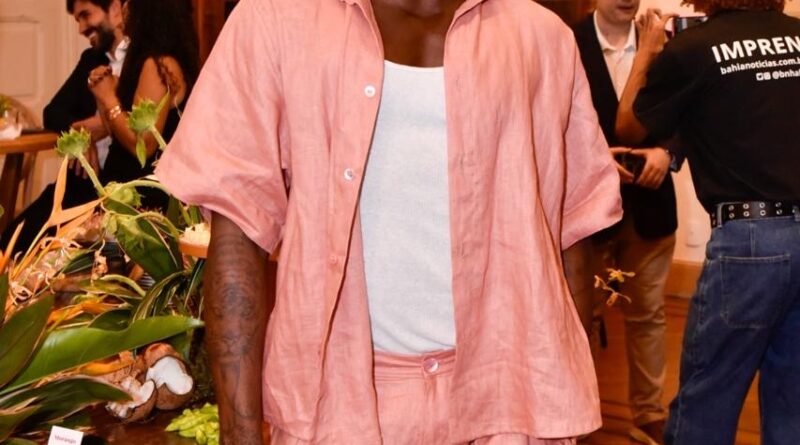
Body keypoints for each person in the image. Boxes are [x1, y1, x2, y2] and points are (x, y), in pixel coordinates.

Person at [156, 0, 623, 443]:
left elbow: (571, 230)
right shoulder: (277, 20)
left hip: (508, 402)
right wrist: (239, 436)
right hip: (336, 407)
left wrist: (559, 402)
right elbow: (237, 231)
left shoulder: (540, 38)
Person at [616, 3, 800, 444]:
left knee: (707, 399)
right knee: (792, 401)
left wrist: (647, 53)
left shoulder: (693, 48)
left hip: (750, 243)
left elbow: (628, 128)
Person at [572, 1, 678, 443]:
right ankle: (578, 414)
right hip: (587, 210)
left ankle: (649, 413)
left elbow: (690, 107)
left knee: (647, 314)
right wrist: (595, 160)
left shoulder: (665, 44)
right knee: (583, 315)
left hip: (650, 206)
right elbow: (552, 117)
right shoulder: (568, 41)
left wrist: (668, 151)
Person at [0, 0, 126, 253]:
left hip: (124, 188)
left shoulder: (143, 59)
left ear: (114, 9)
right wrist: (79, 134)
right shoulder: (91, 59)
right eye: (77, 20)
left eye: (86, 15)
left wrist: (107, 123)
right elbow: (52, 112)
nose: (81, 28)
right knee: (11, 242)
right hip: (82, 183)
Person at [87, 0, 198, 200]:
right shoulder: (146, 61)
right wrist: (104, 93)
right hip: (125, 188)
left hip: (141, 197)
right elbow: (116, 134)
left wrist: (110, 99)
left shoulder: (159, 65)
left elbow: (143, 146)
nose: (123, 8)